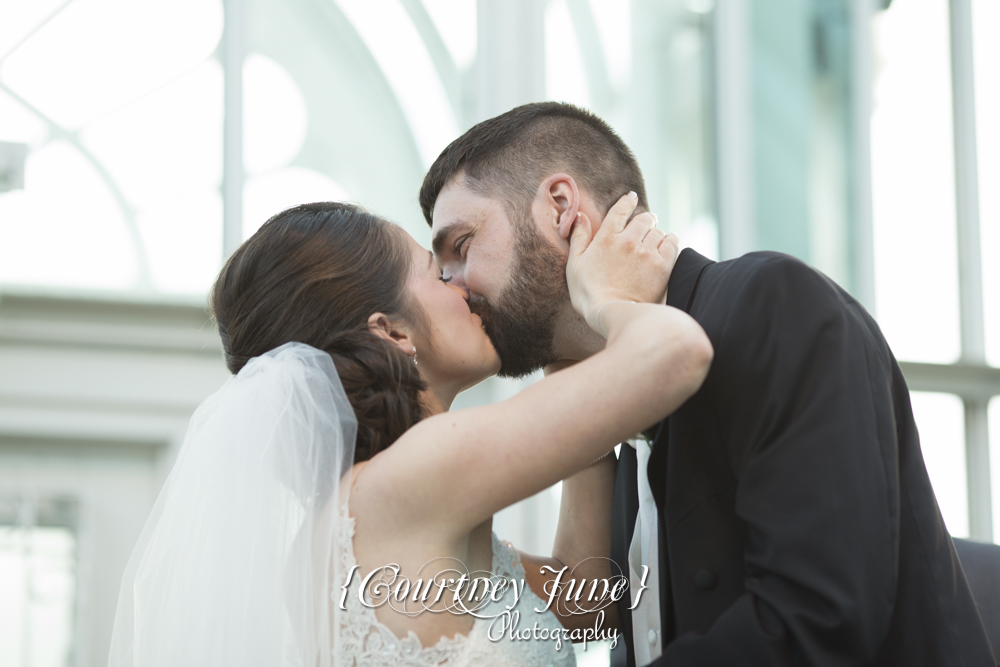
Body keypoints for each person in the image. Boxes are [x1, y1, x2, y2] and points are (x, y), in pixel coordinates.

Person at [420, 101, 997, 666]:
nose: (452, 285)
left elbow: (818, 620)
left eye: (461, 248)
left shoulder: (772, 305)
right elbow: (610, 612)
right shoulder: (615, 397)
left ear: (562, 208)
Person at [107, 196, 713, 667]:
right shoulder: (409, 478)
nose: (464, 285)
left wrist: (565, 348)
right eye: (436, 272)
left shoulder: (362, 511)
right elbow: (678, 351)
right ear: (393, 332)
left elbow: (590, 601)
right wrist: (606, 299)